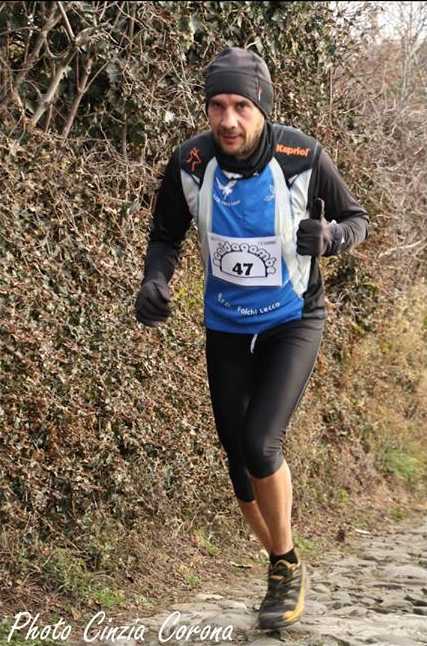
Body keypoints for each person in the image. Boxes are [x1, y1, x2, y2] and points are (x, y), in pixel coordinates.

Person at [135, 47, 369, 630]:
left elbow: (357, 219)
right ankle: (282, 560)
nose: (228, 120)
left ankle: (284, 568)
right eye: (217, 105)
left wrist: (331, 237)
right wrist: (155, 280)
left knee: (261, 441)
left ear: (261, 106)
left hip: (293, 318)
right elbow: (165, 235)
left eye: (241, 105)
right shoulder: (190, 162)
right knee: (237, 457)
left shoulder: (302, 156)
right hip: (227, 325)